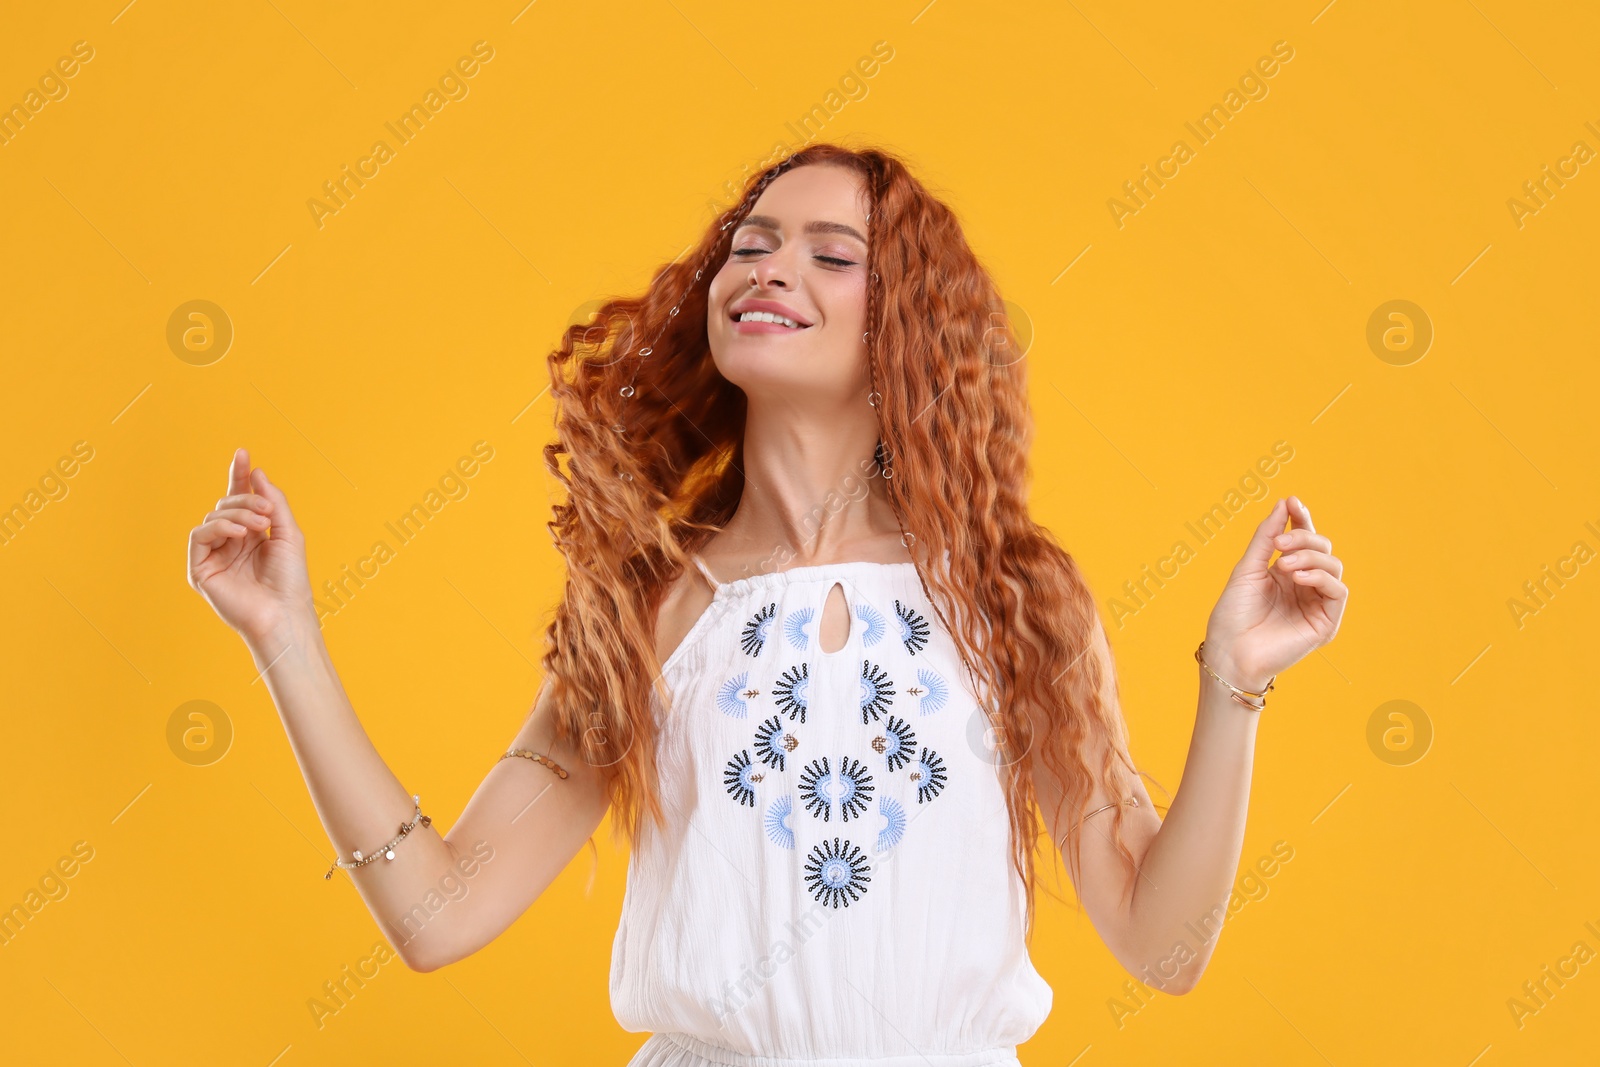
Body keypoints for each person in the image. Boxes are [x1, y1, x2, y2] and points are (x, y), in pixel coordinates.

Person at [187, 141, 1347, 1066]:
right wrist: (285, 636)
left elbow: (1163, 942)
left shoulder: (1009, 596)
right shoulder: (648, 607)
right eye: (750, 244)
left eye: (832, 254)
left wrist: (1232, 684)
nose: (767, 269)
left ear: (908, 324)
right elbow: (437, 913)